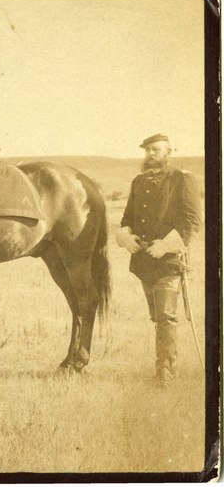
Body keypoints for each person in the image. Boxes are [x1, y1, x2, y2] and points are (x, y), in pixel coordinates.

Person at [116, 133, 201, 387]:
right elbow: (127, 219)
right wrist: (126, 238)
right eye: (147, 150)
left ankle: (165, 371)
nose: (150, 154)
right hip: (144, 261)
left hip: (169, 260)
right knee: (157, 316)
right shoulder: (138, 182)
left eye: (156, 150)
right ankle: (164, 363)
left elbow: (192, 222)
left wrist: (165, 245)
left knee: (166, 315)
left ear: (168, 152)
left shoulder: (182, 179)